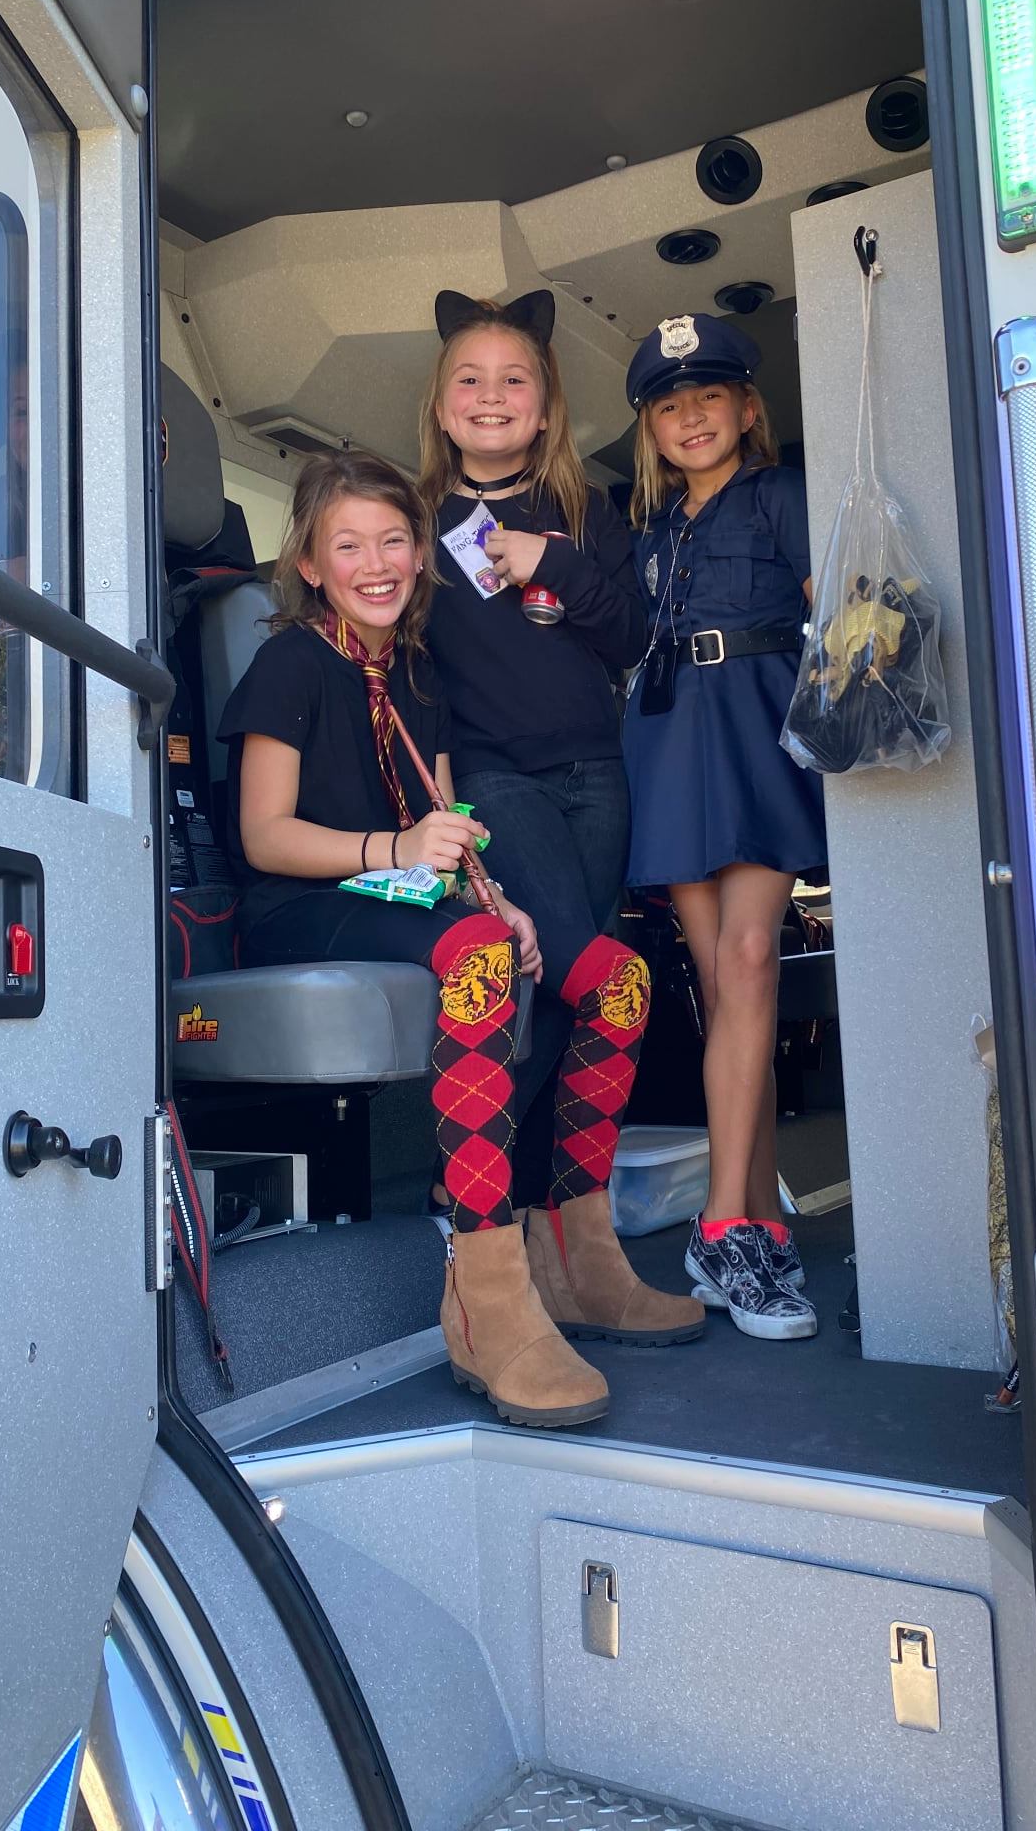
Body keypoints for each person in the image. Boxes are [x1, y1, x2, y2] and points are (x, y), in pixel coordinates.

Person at [219, 450, 701, 1430]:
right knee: (479, 958)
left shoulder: (419, 672)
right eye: (348, 546)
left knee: (615, 977)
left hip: (409, 897)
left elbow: (448, 820)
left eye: (395, 540)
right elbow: (263, 837)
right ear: (309, 564)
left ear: (422, 553)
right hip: (302, 906)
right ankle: (485, 1298)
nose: (376, 564)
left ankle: (578, 1256)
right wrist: (400, 853)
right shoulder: (290, 663)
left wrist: (497, 896)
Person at [417, 290, 683, 1345]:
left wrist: (551, 563)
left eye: (514, 379)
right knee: (580, 978)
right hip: (493, 782)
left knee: (579, 1006)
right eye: (470, 379)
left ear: (545, 403)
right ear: (440, 403)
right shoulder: (419, 521)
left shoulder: (586, 510)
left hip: (595, 776)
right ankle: (480, 1240)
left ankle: (566, 1255)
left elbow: (634, 638)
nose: (491, 396)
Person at [622, 314, 827, 1342]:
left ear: (749, 408)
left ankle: (721, 1232)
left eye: (710, 396)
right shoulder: (650, 532)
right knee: (719, 990)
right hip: (667, 737)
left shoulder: (784, 495)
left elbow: (836, 613)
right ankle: (762, 1226)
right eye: (670, 404)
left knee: (748, 963)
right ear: (650, 429)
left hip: (757, 726)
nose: (691, 416)